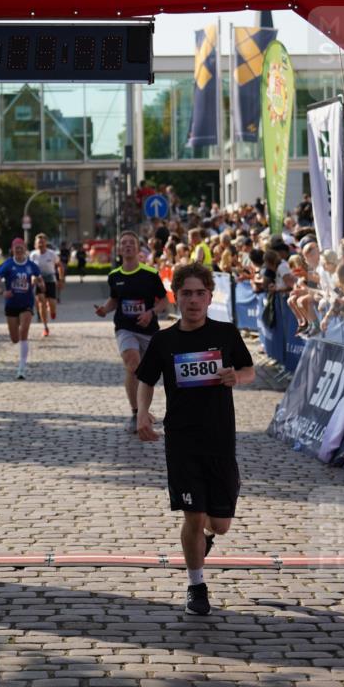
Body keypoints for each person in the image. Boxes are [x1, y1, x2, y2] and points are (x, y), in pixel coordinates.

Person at [136, 262, 255, 617]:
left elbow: (249, 370)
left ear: (209, 297)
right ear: (177, 296)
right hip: (182, 440)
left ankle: (206, 539)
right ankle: (196, 586)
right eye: (185, 293)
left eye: (199, 293)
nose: (192, 300)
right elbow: (145, 380)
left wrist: (238, 376)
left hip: (220, 439)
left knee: (219, 524)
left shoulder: (226, 334)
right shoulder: (165, 340)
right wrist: (143, 412)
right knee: (193, 514)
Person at [94, 230, 168, 433]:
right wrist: (104, 309)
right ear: (119, 249)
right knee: (132, 363)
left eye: (131, 243)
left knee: (148, 372)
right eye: (124, 243)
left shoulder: (150, 274)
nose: (127, 246)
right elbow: (114, 300)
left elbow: (164, 300)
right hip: (125, 327)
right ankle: (136, 412)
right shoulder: (114, 276)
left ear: (137, 248)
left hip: (148, 329)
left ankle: (144, 409)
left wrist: (150, 313)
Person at [0, 238, 44, 379]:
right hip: (11, 304)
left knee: (24, 331)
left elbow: (39, 279)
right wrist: (2, 292)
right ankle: (21, 356)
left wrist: (40, 284)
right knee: (15, 338)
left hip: (26, 303)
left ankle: (21, 367)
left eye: (21, 247)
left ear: (25, 248)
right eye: (16, 248)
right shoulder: (7, 265)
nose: (19, 250)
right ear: (12, 249)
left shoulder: (31, 265)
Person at [30, 233, 60, 337]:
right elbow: (30, 269)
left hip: (50, 279)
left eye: (42, 242)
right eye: (39, 242)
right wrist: (32, 277)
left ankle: (52, 311)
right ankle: (45, 327)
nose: (41, 244)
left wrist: (60, 278)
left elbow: (59, 265)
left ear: (46, 243)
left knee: (52, 303)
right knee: (41, 302)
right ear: (35, 244)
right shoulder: (33, 255)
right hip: (39, 280)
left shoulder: (52, 254)